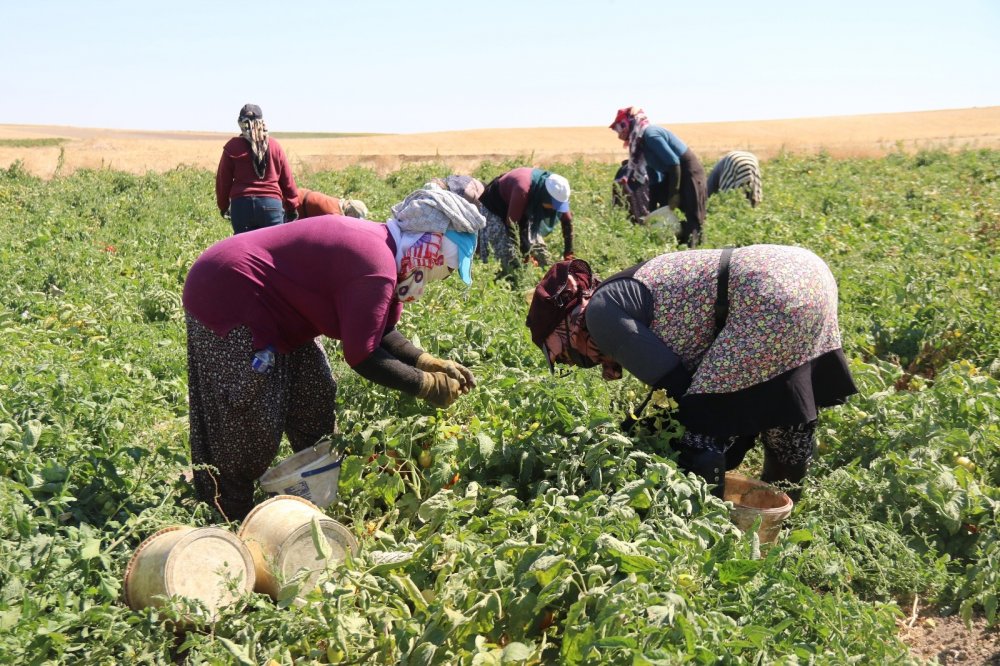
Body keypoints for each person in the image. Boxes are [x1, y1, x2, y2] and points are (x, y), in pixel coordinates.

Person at [182, 188, 486, 520]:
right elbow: (363, 355)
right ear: (432, 250)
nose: (445, 277)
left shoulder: (388, 257)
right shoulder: (375, 263)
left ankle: (314, 492)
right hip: (228, 290)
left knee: (314, 394)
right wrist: (428, 386)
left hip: (280, 310)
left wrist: (429, 362)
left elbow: (381, 332)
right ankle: (228, 513)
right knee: (249, 420)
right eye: (449, 268)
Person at [525, 246, 857, 501]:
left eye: (559, 352)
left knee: (698, 431)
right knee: (786, 416)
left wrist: (634, 437)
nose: (569, 361)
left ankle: (707, 535)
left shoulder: (600, 314)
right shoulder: (614, 296)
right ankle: (782, 525)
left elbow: (676, 389)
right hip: (806, 272)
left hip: (770, 295)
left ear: (565, 321)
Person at [610, 107, 707, 247]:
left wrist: (674, 194)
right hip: (672, 174)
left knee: (693, 216)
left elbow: (674, 162)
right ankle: (677, 252)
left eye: (621, 127)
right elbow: (653, 176)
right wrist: (651, 210)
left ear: (630, 123)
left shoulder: (651, 135)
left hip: (687, 171)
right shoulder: (640, 143)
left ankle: (698, 255)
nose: (620, 133)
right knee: (664, 210)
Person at [215, 104, 300, 234]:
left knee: (244, 250)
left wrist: (223, 206)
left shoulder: (232, 147)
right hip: (271, 205)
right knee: (274, 249)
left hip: (241, 206)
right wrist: (292, 207)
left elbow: (223, 181)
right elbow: (287, 181)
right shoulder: (275, 146)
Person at [478, 167, 575, 272]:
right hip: (495, 205)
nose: (554, 208)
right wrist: (525, 256)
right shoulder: (523, 191)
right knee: (505, 261)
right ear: (544, 197)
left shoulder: (559, 192)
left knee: (542, 258)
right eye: (552, 205)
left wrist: (568, 253)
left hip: (520, 207)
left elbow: (567, 221)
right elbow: (512, 227)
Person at [297, 187, 369, 220]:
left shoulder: (338, 202)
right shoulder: (335, 215)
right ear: (351, 214)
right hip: (295, 206)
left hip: (299, 193)